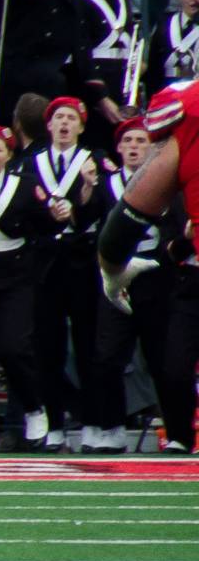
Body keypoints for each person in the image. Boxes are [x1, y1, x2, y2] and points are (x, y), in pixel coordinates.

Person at [98, 87, 199, 455]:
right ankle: (180, 436)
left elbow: (126, 220)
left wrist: (112, 271)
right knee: (173, 366)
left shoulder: (188, 118)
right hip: (191, 273)